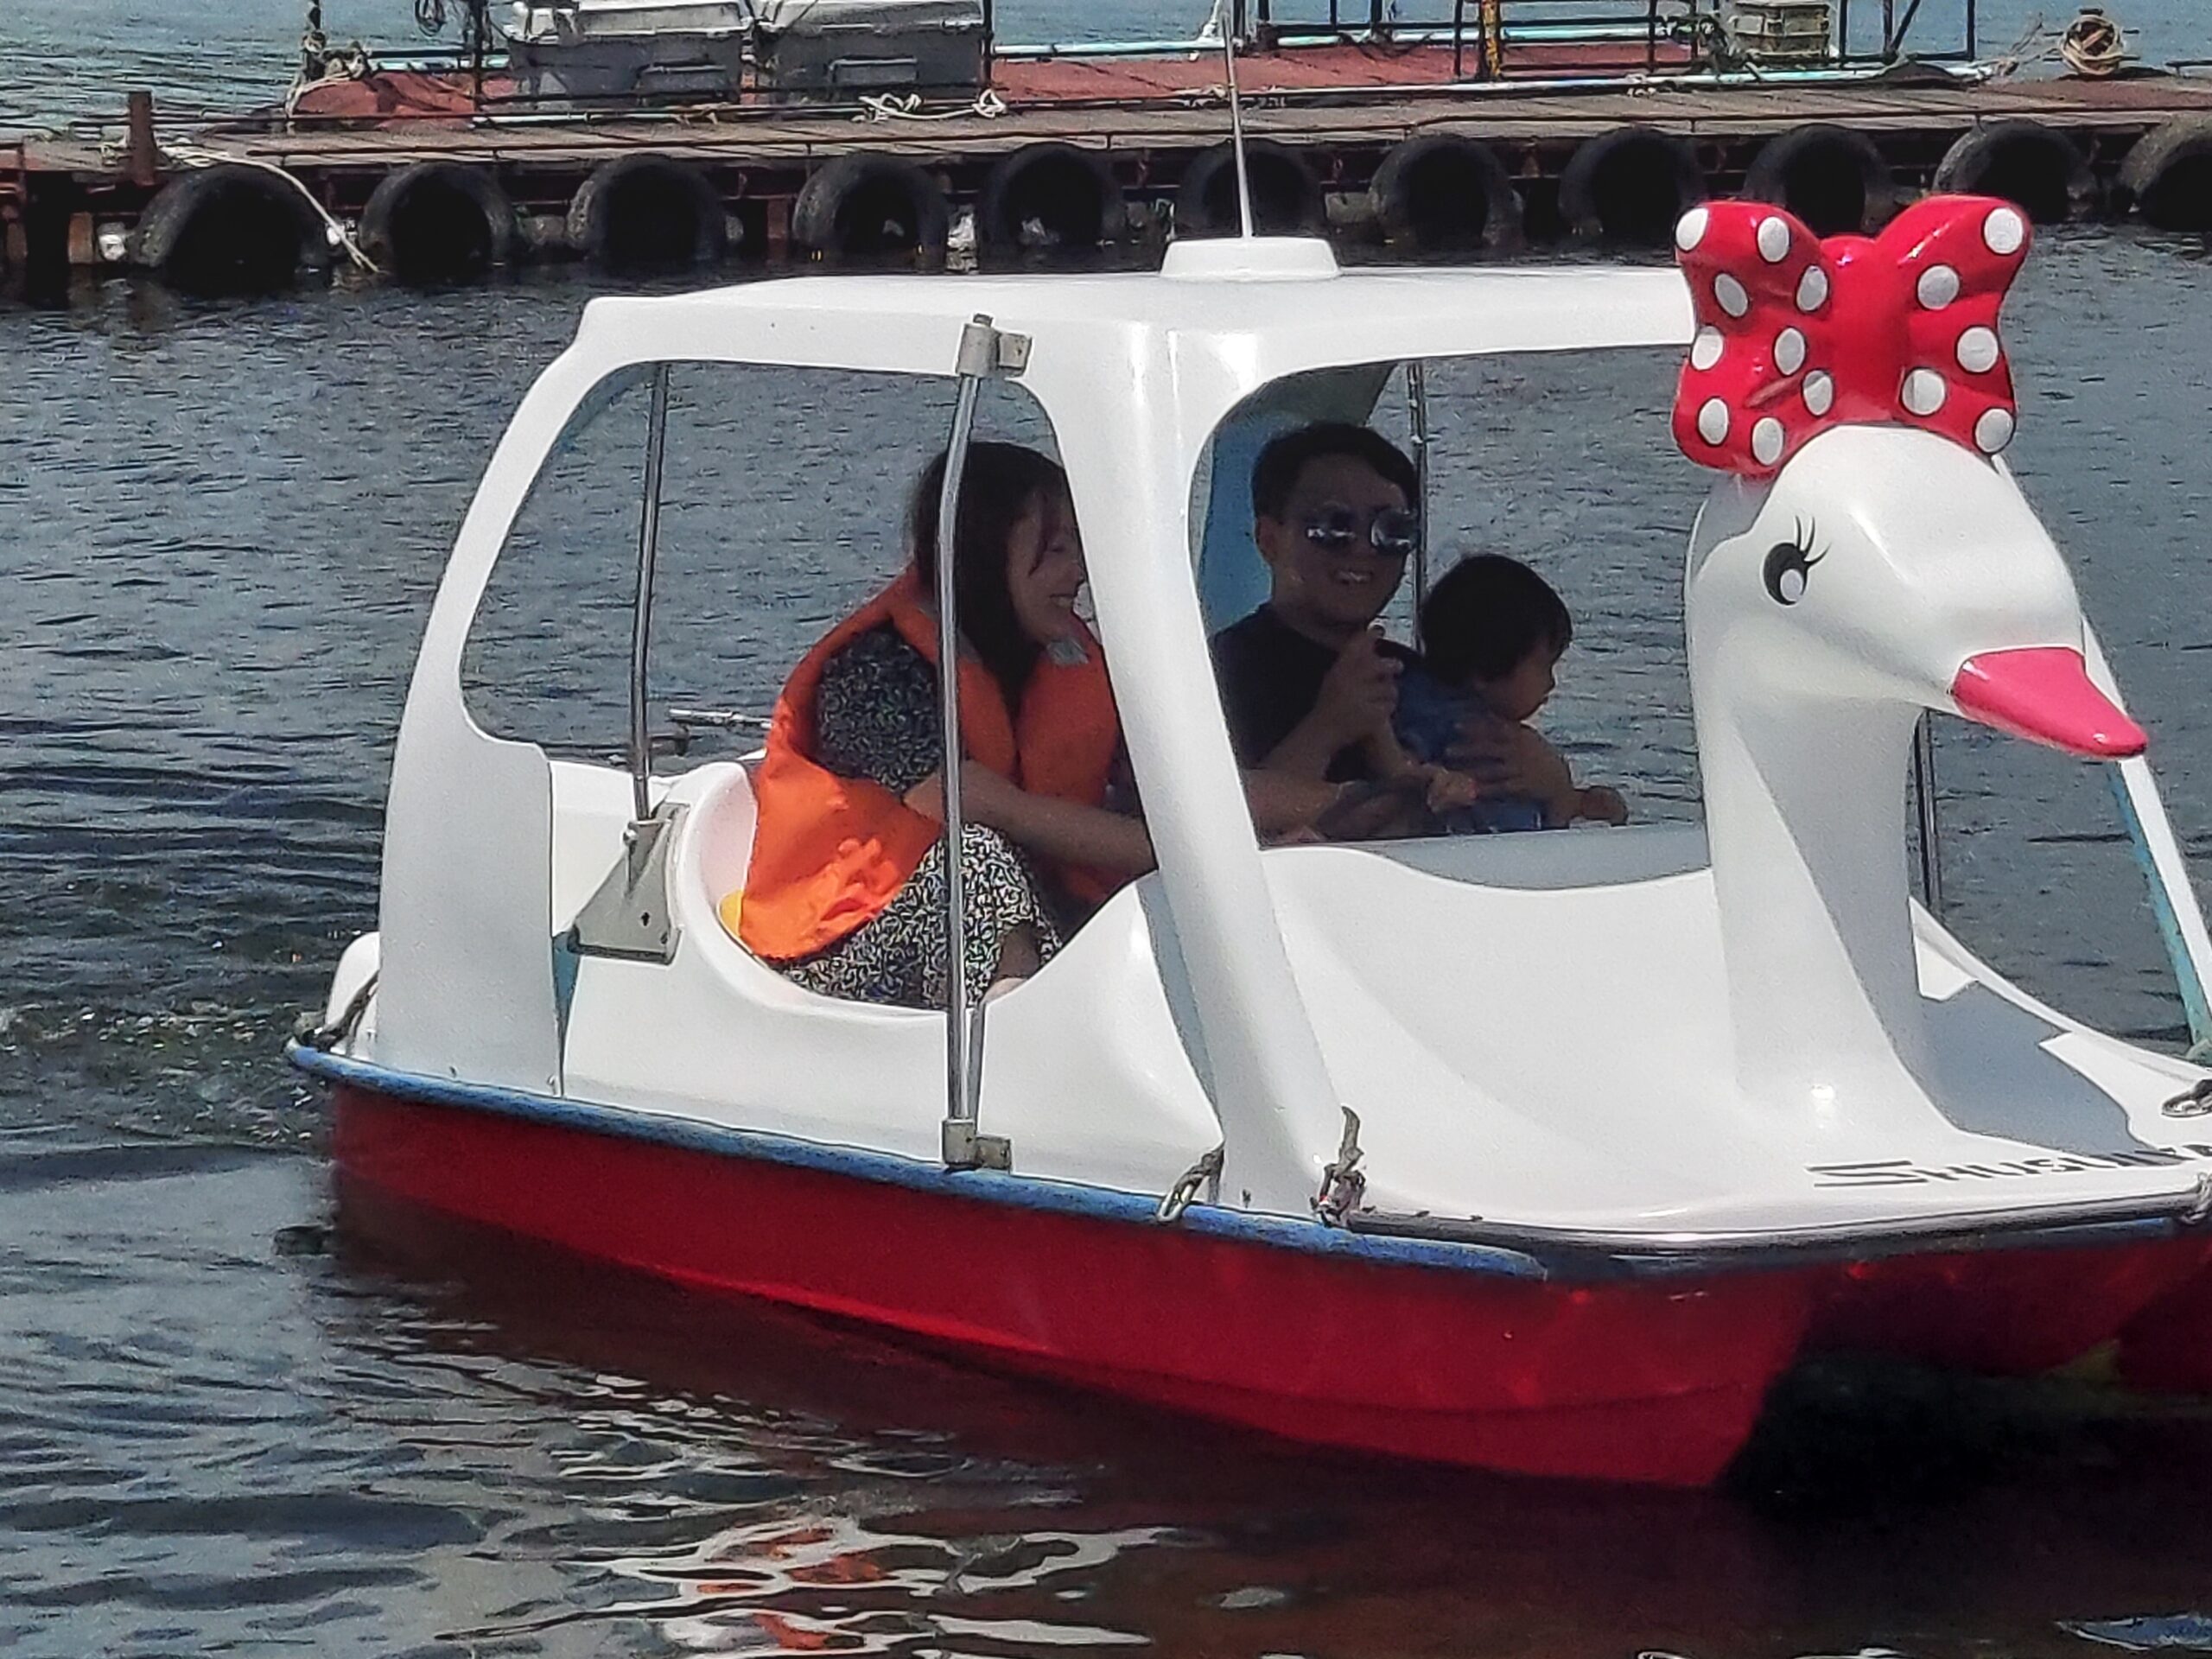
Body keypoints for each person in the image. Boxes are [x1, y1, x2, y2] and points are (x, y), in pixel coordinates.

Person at [737, 443, 1153, 1009]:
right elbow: (987, 808)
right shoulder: (876, 669)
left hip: (1027, 910)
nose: (1078, 572)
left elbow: (1157, 777)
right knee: (975, 858)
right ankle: (1008, 1036)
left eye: (1078, 548)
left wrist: (1267, 826)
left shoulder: (1053, 657)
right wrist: (1182, 858)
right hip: (843, 941)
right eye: (1057, 549)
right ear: (982, 553)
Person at [1394, 554, 1629, 829]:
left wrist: (1571, 797)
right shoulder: (1439, 719)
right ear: (1487, 669)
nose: (1551, 683)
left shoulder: (1417, 694)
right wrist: (1433, 780)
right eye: (1545, 666)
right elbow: (1401, 766)